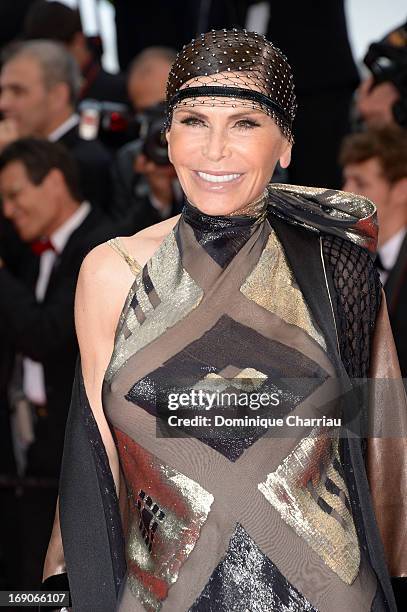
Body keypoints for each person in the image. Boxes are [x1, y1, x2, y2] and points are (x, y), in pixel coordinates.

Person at [43, 30, 406, 611]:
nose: (214, 151)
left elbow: (382, 441)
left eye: (244, 123)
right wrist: (64, 589)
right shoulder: (113, 272)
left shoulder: (335, 264)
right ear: (167, 137)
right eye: (193, 121)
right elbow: (94, 462)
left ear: (284, 142)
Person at [0, 138, 116, 588]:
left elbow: (45, 334)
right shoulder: (29, 256)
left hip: (76, 453)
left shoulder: (103, 249)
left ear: (52, 183)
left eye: (13, 195)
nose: (8, 210)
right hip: (26, 455)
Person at [0, 40, 112, 212]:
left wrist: (11, 157)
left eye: (18, 91)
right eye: (2, 92)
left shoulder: (87, 162)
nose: (3, 104)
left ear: (57, 96)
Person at [340, 126, 407, 377]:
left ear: (402, 190)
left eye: (361, 182)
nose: (346, 192)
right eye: (346, 179)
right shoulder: (342, 254)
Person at [112, 47, 183, 224]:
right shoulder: (129, 162)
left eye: (164, 106)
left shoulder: (218, 152)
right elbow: (122, 242)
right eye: (146, 112)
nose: (158, 120)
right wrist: (158, 200)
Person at [23, 0, 128, 105]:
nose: (44, 62)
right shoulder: (38, 96)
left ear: (78, 41)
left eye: (51, 54)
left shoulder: (121, 91)